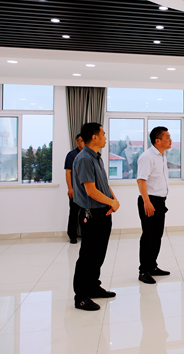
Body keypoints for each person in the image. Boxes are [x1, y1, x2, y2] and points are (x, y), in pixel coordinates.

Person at [72, 122, 120, 311]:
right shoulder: (84, 159)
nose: (105, 138)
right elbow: (91, 191)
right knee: (88, 256)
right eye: (103, 134)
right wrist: (112, 203)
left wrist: (113, 200)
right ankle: (81, 297)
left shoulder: (96, 157)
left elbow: (104, 185)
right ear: (94, 137)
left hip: (103, 212)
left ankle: (93, 286)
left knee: (99, 254)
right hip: (91, 214)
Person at [136, 126, 172, 284]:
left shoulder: (161, 156)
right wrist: (147, 202)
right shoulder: (148, 157)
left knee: (157, 236)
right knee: (148, 236)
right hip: (149, 201)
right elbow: (141, 180)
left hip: (159, 201)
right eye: (167, 137)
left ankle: (152, 266)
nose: (170, 140)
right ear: (157, 141)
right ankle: (143, 271)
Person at [65, 134, 84, 243]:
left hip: (86, 190)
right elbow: (68, 172)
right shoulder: (71, 155)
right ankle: (72, 235)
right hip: (75, 190)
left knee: (85, 214)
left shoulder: (89, 154)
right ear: (77, 142)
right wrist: (70, 188)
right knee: (74, 213)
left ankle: (84, 234)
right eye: (81, 140)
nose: (83, 142)